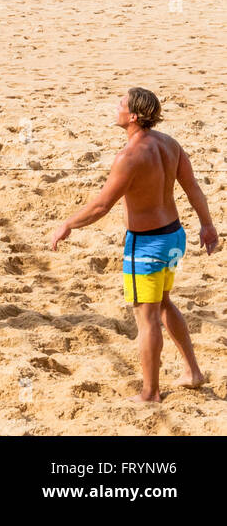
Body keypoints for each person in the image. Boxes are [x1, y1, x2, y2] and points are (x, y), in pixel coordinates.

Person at [50, 88, 218, 402]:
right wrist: (207, 225)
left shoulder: (130, 156)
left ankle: (150, 392)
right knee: (164, 304)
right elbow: (192, 187)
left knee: (146, 317)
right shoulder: (170, 144)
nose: (116, 107)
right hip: (174, 237)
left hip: (147, 245)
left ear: (134, 116)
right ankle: (192, 372)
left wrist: (67, 224)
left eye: (121, 104)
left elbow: (101, 206)